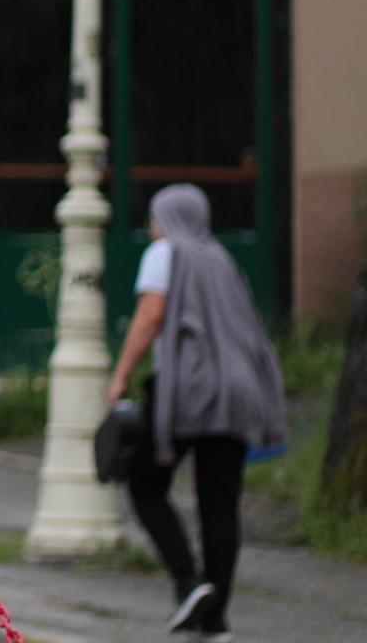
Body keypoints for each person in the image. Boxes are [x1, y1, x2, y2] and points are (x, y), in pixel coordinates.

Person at [106, 184, 286, 642]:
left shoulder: (166, 253)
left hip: (190, 388)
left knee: (145, 481)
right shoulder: (222, 259)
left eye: (154, 217)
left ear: (167, 218)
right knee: (220, 504)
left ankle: (188, 582)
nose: (151, 227)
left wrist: (120, 376)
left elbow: (150, 315)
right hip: (239, 392)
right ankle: (214, 621)